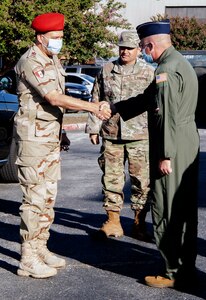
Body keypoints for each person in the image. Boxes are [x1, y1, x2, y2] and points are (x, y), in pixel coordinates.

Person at [14, 12, 110, 279]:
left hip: (49, 137)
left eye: (61, 37)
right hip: (33, 140)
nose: (59, 42)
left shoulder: (51, 59)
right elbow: (54, 98)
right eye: (55, 38)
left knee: (48, 197)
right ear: (40, 37)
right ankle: (28, 257)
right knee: (34, 199)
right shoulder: (30, 61)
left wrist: (61, 133)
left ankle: (41, 247)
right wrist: (93, 107)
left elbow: (51, 108)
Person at [111, 20, 200, 288]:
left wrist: (166, 155)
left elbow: (167, 117)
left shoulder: (166, 70)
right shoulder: (179, 63)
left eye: (144, 48)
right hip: (186, 140)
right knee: (183, 207)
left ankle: (172, 271)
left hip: (173, 144)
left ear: (150, 45)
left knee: (167, 206)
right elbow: (149, 99)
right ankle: (184, 266)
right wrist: (115, 106)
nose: (144, 53)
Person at [85, 31, 154, 240]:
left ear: (139, 50)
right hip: (112, 133)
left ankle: (139, 222)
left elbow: (155, 102)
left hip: (140, 134)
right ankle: (113, 221)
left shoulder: (148, 72)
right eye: (122, 47)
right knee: (111, 179)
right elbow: (96, 98)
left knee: (141, 181)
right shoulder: (107, 70)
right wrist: (94, 127)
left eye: (129, 48)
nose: (124, 51)